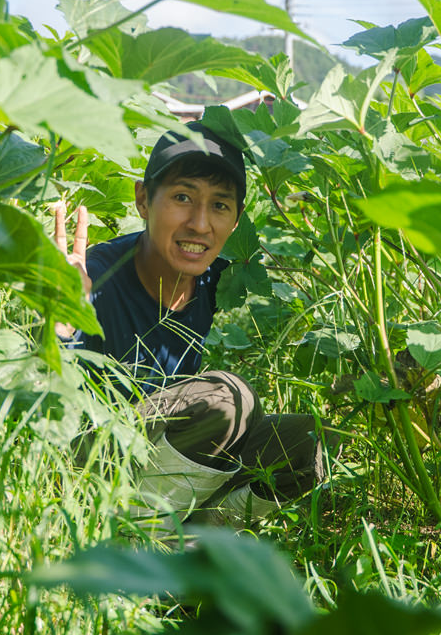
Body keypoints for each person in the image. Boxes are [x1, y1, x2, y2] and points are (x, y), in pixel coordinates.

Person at [54, 122, 326, 522]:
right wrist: (61, 322)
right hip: (89, 463)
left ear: (236, 221)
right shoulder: (95, 279)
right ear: (143, 200)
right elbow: (47, 411)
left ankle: (193, 544)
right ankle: (129, 538)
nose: (200, 224)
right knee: (230, 400)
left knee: (303, 442)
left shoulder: (215, 277)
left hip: (158, 454)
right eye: (182, 197)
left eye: (219, 205)